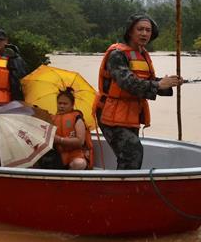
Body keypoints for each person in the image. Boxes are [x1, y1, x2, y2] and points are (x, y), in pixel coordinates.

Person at [95, 14, 181, 170]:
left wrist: (169, 83)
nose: (144, 33)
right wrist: (159, 85)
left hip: (130, 113)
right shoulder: (117, 55)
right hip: (109, 113)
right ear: (130, 32)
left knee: (129, 154)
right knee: (132, 152)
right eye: (140, 29)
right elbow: (128, 83)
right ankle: (123, 190)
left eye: (148, 30)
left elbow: (150, 80)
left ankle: (123, 187)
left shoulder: (142, 54)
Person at [51, 89, 93, 170]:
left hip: (75, 154)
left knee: (79, 164)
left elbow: (80, 141)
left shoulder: (77, 118)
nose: (62, 106)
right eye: (59, 103)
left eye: (65, 104)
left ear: (72, 104)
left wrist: (59, 139)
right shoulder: (52, 118)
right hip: (57, 155)